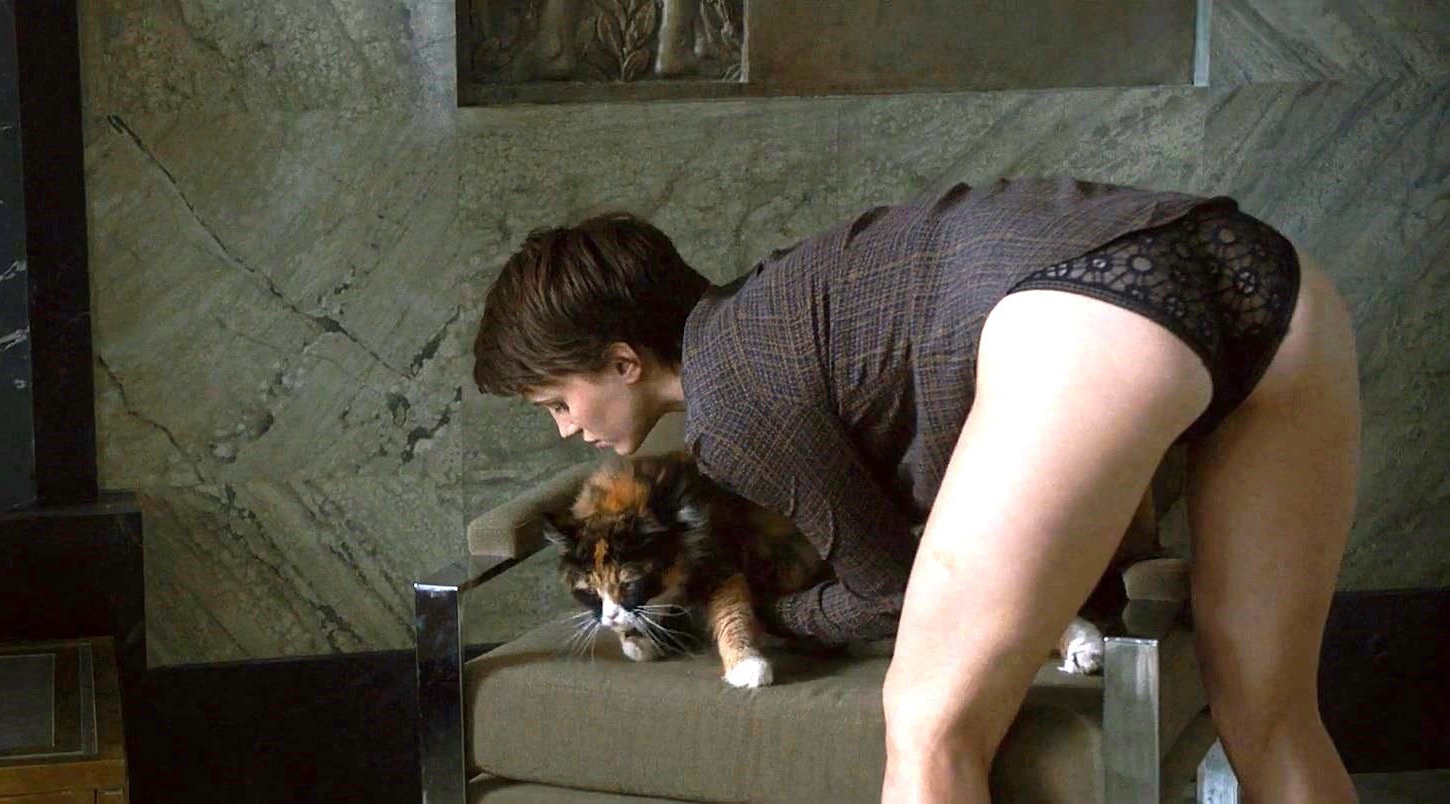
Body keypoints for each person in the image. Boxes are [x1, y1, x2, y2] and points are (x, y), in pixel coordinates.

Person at [470, 178, 1359, 802]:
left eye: (558, 402)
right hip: (1258, 270)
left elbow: (885, 586)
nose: (566, 430)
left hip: (1089, 310)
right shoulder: (773, 302)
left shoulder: (727, 401)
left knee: (929, 726)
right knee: (1272, 718)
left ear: (624, 361)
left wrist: (775, 617)